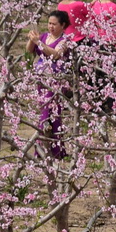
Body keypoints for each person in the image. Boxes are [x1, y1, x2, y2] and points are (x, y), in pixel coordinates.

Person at [29, 11, 76, 160]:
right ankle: (44, 149)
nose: (51, 26)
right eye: (49, 23)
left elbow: (55, 54)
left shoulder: (65, 40)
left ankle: (54, 151)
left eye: (54, 24)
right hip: (41, 80)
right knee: (43, 110)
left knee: (52, 112)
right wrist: (32, 39)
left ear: (62, 25)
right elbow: (29, 50)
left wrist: (39, 43)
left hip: (55, 81)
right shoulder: (43, 36)